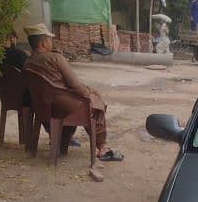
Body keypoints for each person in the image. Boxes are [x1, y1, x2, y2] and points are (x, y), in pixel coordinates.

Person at [22, 24, 123, 162]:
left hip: (43, 107)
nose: (51, 42)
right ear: (43, 42)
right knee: (94, 102)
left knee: (85, 98)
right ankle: (102, 148)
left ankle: (63, 139)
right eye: (50, 40)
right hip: (62, 105)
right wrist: (90, 93)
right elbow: (76, 86)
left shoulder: (27, 62)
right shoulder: (55, 58)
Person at [0, 31, 80, 146]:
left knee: (43, 98)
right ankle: (60, 135)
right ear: (12, 38)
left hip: (7, 96)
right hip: (28, 98)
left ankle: (56, 135)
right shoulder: (21, 55)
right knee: (48, 98)